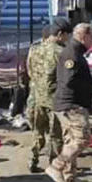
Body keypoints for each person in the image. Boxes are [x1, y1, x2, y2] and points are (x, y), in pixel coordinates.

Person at [46, 23, 92, 182]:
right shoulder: (72, 53)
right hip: (71, 104)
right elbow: (69, 80)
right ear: (84, 36)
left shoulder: (75, 51)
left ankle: (70, 178)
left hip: (68, 103)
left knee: (70, 140)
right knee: (82, 139)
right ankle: (56, 166)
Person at [25, 19, 72, 173]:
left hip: (37, 97)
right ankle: (54, 165)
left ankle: (32, 160)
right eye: (67, 36)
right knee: (56, 135)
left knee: (37, 131)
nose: (68, 39)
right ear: (59, 35)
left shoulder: (34, 49)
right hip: (54, 99)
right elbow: (67, 77)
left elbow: (29, 71)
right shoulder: (62, 52)